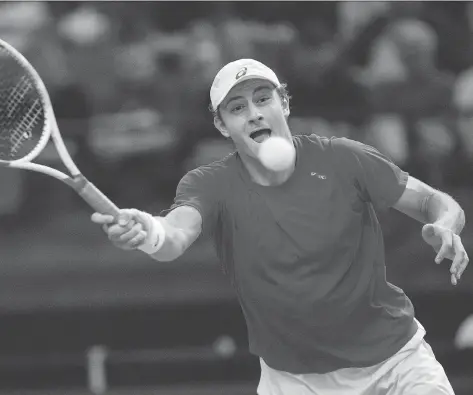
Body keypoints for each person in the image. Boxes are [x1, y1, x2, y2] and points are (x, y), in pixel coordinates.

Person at [91, 59, 469, 395]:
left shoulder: (343, 157)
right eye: (237, 108)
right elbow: (174, 236)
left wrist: (445, 223)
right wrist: (147, 232)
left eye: (263, 99)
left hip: (394, 363)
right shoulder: (209, 184)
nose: (253, 113)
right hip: (295, 380)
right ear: (222, 125)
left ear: (284, 104)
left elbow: (431, 201)